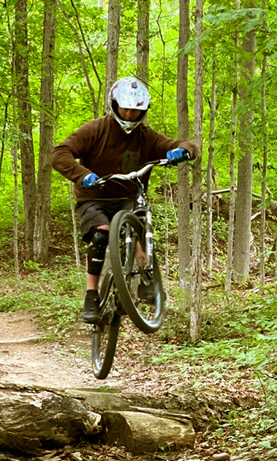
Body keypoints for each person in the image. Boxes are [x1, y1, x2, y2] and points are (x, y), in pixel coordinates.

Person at [50, 76, 199, 324]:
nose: (129, 114)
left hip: (128, 198)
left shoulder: (146, 137)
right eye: (125, 108)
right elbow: (60, 153)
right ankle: (91, 296)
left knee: (140, 225)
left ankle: (146, 280)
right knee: (101, 234)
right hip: (93, 198)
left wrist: (183, 151)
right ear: (115, 104)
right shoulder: (95, 130)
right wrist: (82, 175)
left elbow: (185, 144)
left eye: (135, 110)